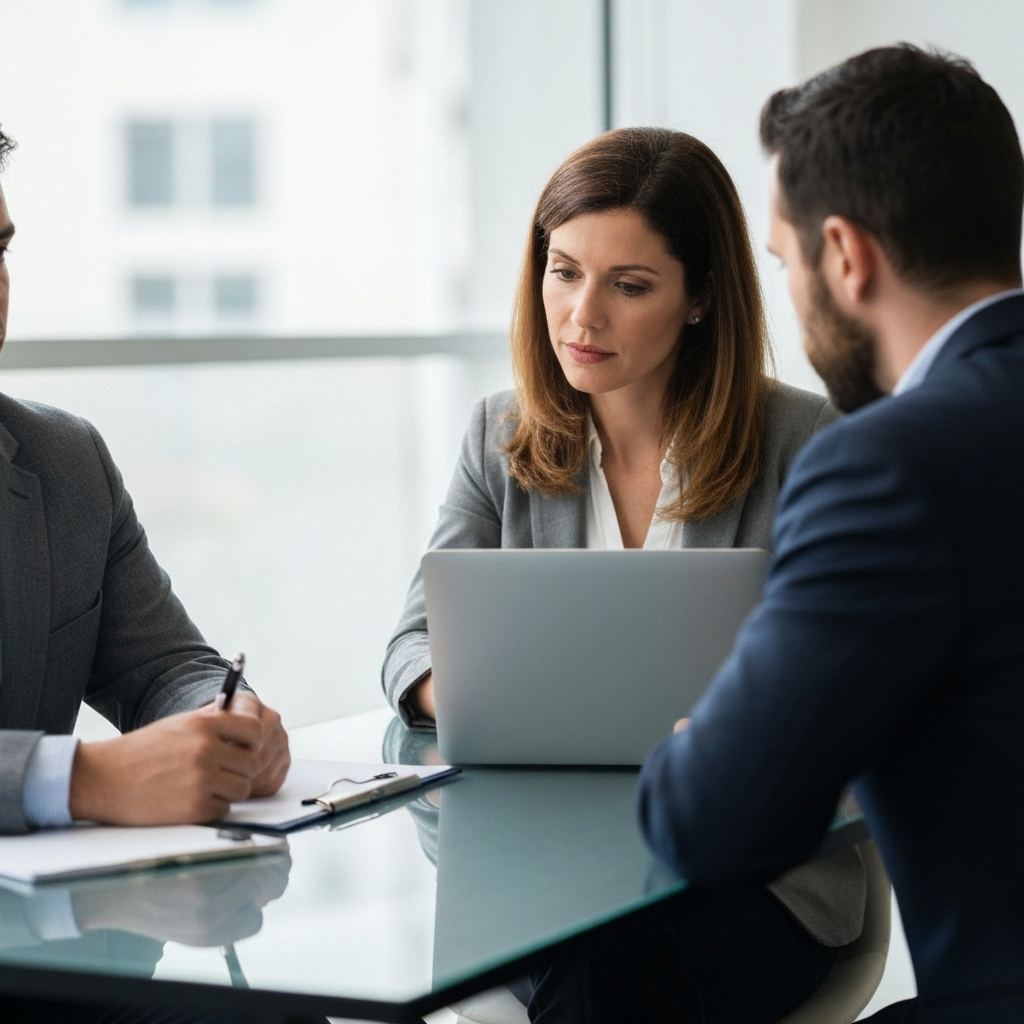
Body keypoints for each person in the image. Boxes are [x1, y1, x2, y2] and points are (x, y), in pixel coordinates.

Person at [384, 127, 863, 1023]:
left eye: (629, 285)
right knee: (586, 959)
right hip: (540, 858)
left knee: (605, 971)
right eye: (563, 272)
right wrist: (475, 694)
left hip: (752, 875)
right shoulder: (501, 433)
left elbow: (851, 686)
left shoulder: (807, 443)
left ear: (701, 296)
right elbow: (411, 644)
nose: (581, 317)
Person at [638, 45, 1024, 1024]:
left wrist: (706, 741)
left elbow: (711, 824)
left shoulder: (885, 466)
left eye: (783, 261)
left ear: (845, 256)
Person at [0, 126, 290, 1022]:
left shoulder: (63, 460)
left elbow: (163, 663)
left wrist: (220, 717)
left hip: (58, 958)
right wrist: (86, 779)